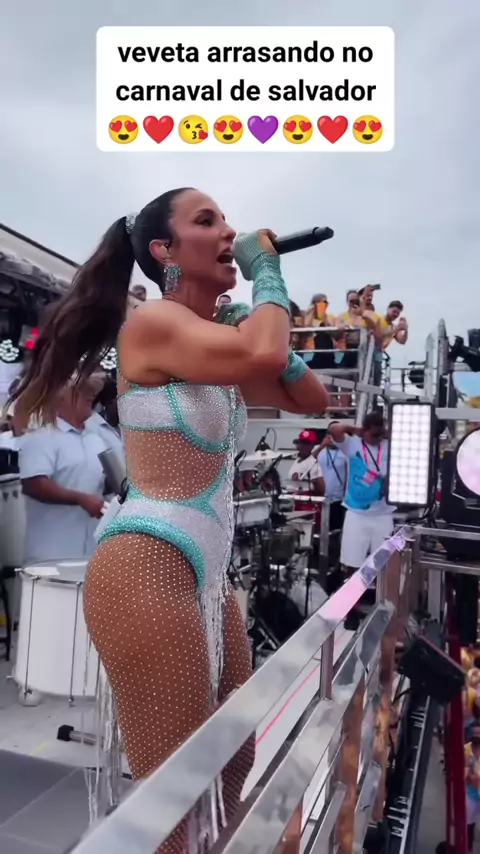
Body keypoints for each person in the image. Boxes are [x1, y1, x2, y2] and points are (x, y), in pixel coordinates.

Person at [10, 187, 329, 853]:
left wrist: (245, 316)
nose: (230, 232)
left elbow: (311, 397)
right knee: (174, 796)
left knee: (235, 758)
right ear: (164, 251)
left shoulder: (215, 343)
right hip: (148, 564)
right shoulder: (153, 325)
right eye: (207, 221)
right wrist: (267, 273)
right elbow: (266, 357)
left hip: (206, 577)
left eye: (228, 221)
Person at [19, 378, 106, 563]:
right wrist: (80, 499)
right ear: (60, 398)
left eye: (92, 391)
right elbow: (34, 485)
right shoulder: (41, 437)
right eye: (81, 390)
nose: (90, 395)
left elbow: (102, 483)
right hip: (51, 554)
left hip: (91, 552)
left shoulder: (96, 439)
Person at [330, 411, 394, 571]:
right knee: (351, 563)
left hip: (383, 513)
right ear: (364, 430)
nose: (378, 438)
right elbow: (334, 429)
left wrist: (387, 433)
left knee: (383, 565)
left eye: (381, 434)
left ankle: (378, 589)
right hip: (356, 513)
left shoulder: (389, 445)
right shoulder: (352, 444)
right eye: (374, 434)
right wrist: (355, 429)